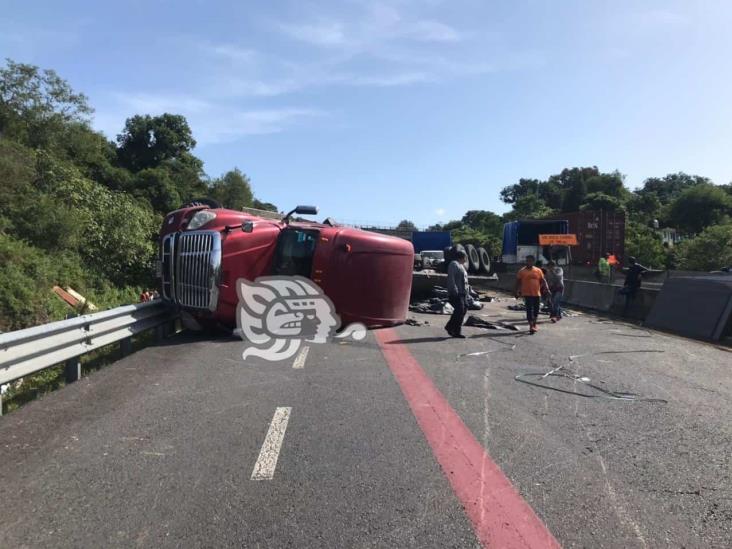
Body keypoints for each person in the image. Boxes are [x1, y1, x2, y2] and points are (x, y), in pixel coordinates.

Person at [515, 255, 547, 334]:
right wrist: (516, 291)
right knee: (529, 310)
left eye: (530, 261)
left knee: (536, 310)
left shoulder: (538, 270)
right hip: (527, 293)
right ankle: (531, 325)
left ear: (533, 261)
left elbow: (543, 280)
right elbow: (518, 282)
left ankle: (534, 324)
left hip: (537, 293)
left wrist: (547, 289)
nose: (528, 262)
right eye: (527, 260)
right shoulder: (522, 271)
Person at [445, 250, 470, 338]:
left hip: (463, 293)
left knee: (464, 309)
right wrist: (454, 290)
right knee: (459, 310)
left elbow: (465, 281)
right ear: (462, 257)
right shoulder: (454, 264)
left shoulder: (462, 266)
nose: (466, 259)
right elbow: (451, 278)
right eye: (465, 257)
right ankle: (455, 330)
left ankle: (450, 326)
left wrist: (468, 292)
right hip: (457, 292)